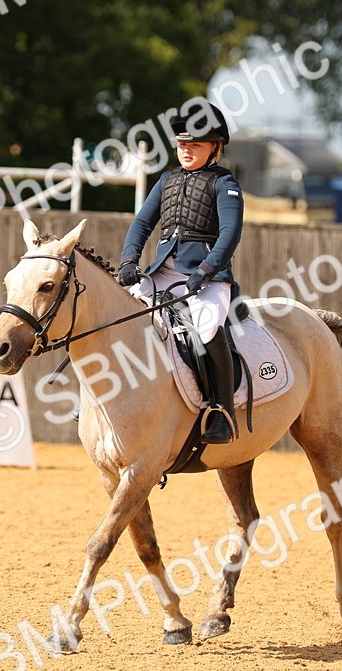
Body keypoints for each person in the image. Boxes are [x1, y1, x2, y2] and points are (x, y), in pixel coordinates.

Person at [118, 101, 244, 444]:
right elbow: (142, 223)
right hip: (162, 272)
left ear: (215, 148)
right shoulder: (167, 180)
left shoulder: (225, 183)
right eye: (183, 144)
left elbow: (230, 232)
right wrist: (129, 260)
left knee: (205, 328)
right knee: (122, 317)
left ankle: (222, 410)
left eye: (196, 145)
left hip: (206, 277)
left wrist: (207, 269)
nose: (187, 151)